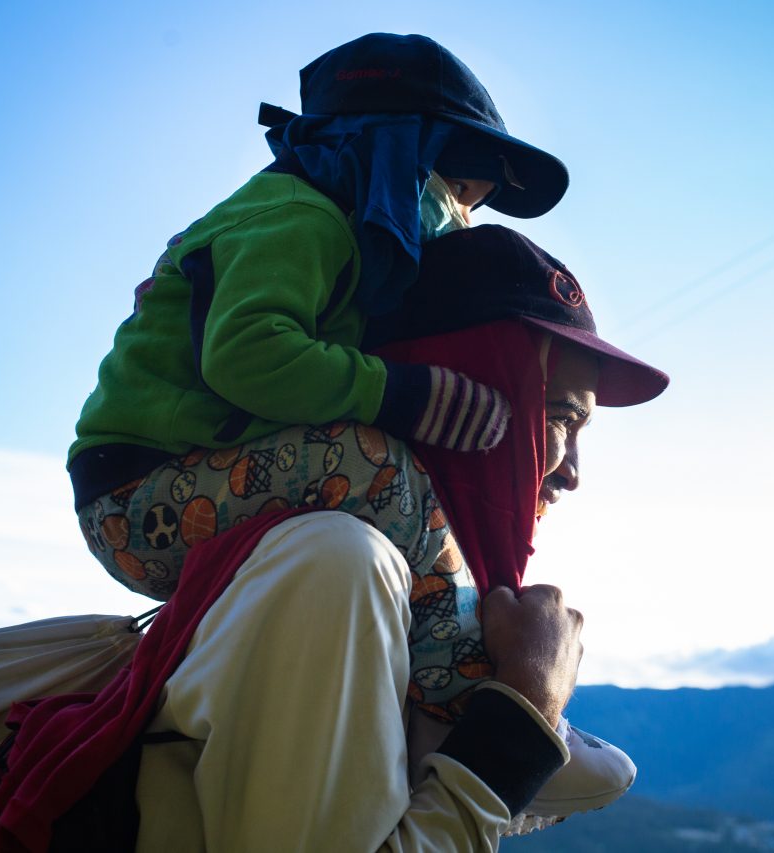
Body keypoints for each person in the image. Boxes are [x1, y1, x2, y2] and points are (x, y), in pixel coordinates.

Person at [125, 226, 669, 850]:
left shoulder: (380, 583)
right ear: (475, 387)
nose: (572, 472)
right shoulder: (339, 563)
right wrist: (526, 710)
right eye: (558, 419)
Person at [67, 32, 570, 601]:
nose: (459, 221)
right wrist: (410, 395)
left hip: (196, 473)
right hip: (137, 493)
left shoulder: (341, 242)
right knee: (371, 463)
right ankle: (455, 654)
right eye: (455, 190)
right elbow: (247, 354)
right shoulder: (299, 217)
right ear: (392, 151)